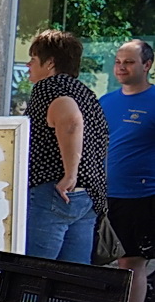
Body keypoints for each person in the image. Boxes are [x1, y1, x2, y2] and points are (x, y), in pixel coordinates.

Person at [23, 29, 110, 265]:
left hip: (54, 191)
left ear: (50, 63)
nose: (28, 64)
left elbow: (70, 120)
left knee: (30, 276)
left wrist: (70, 175)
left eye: (33, 59)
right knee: (70, 285)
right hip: (88, 197)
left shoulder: (49, 87)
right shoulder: (87, 94)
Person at [100, 40, 155, 302]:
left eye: (129, 62)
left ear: (147, 65)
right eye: (118, 62)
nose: (121, 67)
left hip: (141, 198)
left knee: (131, 265)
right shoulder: (106, 101)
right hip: (102, 197)